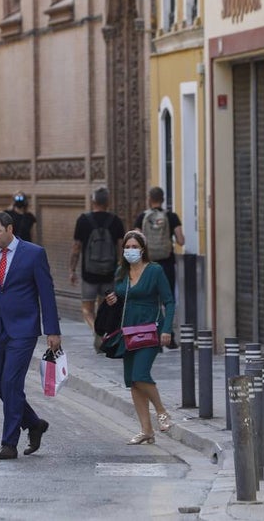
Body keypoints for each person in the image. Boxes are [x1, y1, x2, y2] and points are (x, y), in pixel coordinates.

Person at [0, 212, 60, 460]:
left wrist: (52, 330)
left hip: (23, 329)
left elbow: (46, 293)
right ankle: (34, 423)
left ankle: (9, 443)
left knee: (11, 382)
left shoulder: (34, 254)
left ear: (9, 229)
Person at [101, 230, 176, 443]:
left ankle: (162, 412)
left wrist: (167, 329)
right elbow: (119, 297)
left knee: (141, 375)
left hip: (150, 330)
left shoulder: (155, 270)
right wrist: (112, 300)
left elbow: (169, 301)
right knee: (133, 382)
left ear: (143, 249)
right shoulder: (121, 271)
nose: (130, 250)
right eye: (127, 247)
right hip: (128, 331)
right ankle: (146, 430)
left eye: (134, 247)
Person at [70, 187, 126, 339]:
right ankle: (103, 335)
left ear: (93, 201)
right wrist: (122, 269)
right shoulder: (115, 221)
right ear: (108, 202)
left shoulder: (83, 220)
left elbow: (76, 248)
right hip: (109, 273)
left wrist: (72, 270)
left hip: (89, 274)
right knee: (104, 308)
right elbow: (122, 247)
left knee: (87, 310)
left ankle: (98, 334)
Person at [134, 186, 185, 316]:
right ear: (163, 199)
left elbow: (135, 242)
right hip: (167, 263)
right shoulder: (171, 217)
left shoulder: (142, 217)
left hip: (148, 264)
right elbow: (181, 240)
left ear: (149, 199)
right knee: (168, 297)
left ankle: (152, 324)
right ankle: (168, 325)